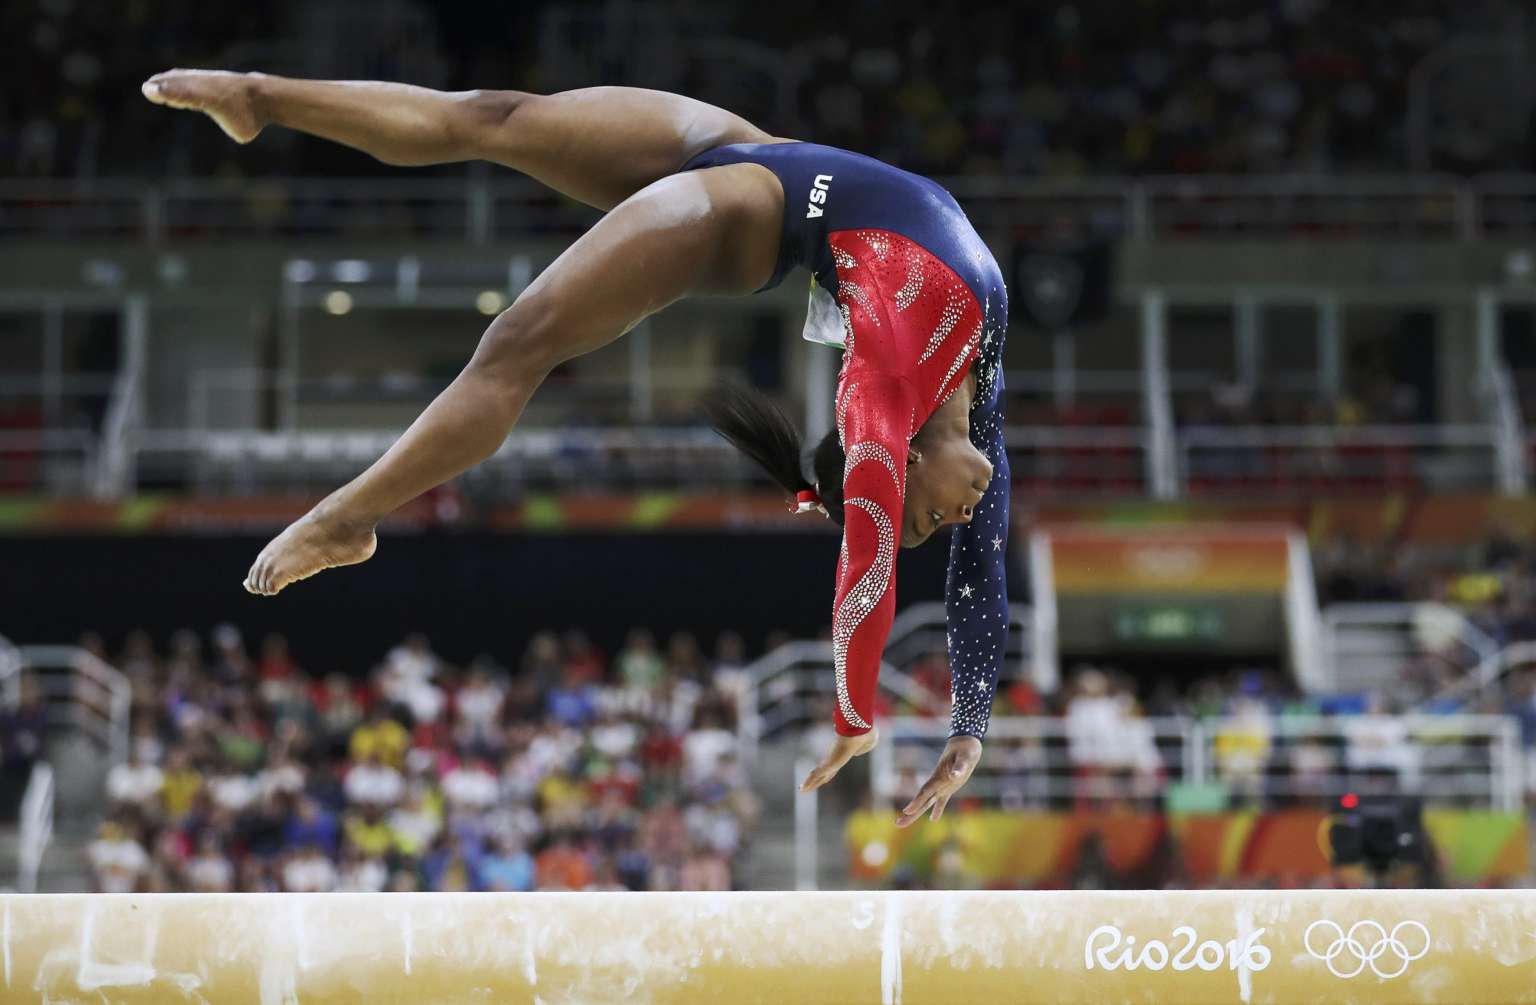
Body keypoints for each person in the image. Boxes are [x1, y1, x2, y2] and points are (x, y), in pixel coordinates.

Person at [142, 69, 1010, 821]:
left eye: (931, 524)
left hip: (738, 214)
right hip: (755, 153)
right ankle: (261, 98)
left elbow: (929, 565)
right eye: (928, 519)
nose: (958, 518)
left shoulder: (877, 395)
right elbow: (900, 555)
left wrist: (946, 725)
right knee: (493, 115)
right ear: (901, 464)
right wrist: (906, 717)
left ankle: (347, 518)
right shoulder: (971, 380)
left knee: (518, 342)